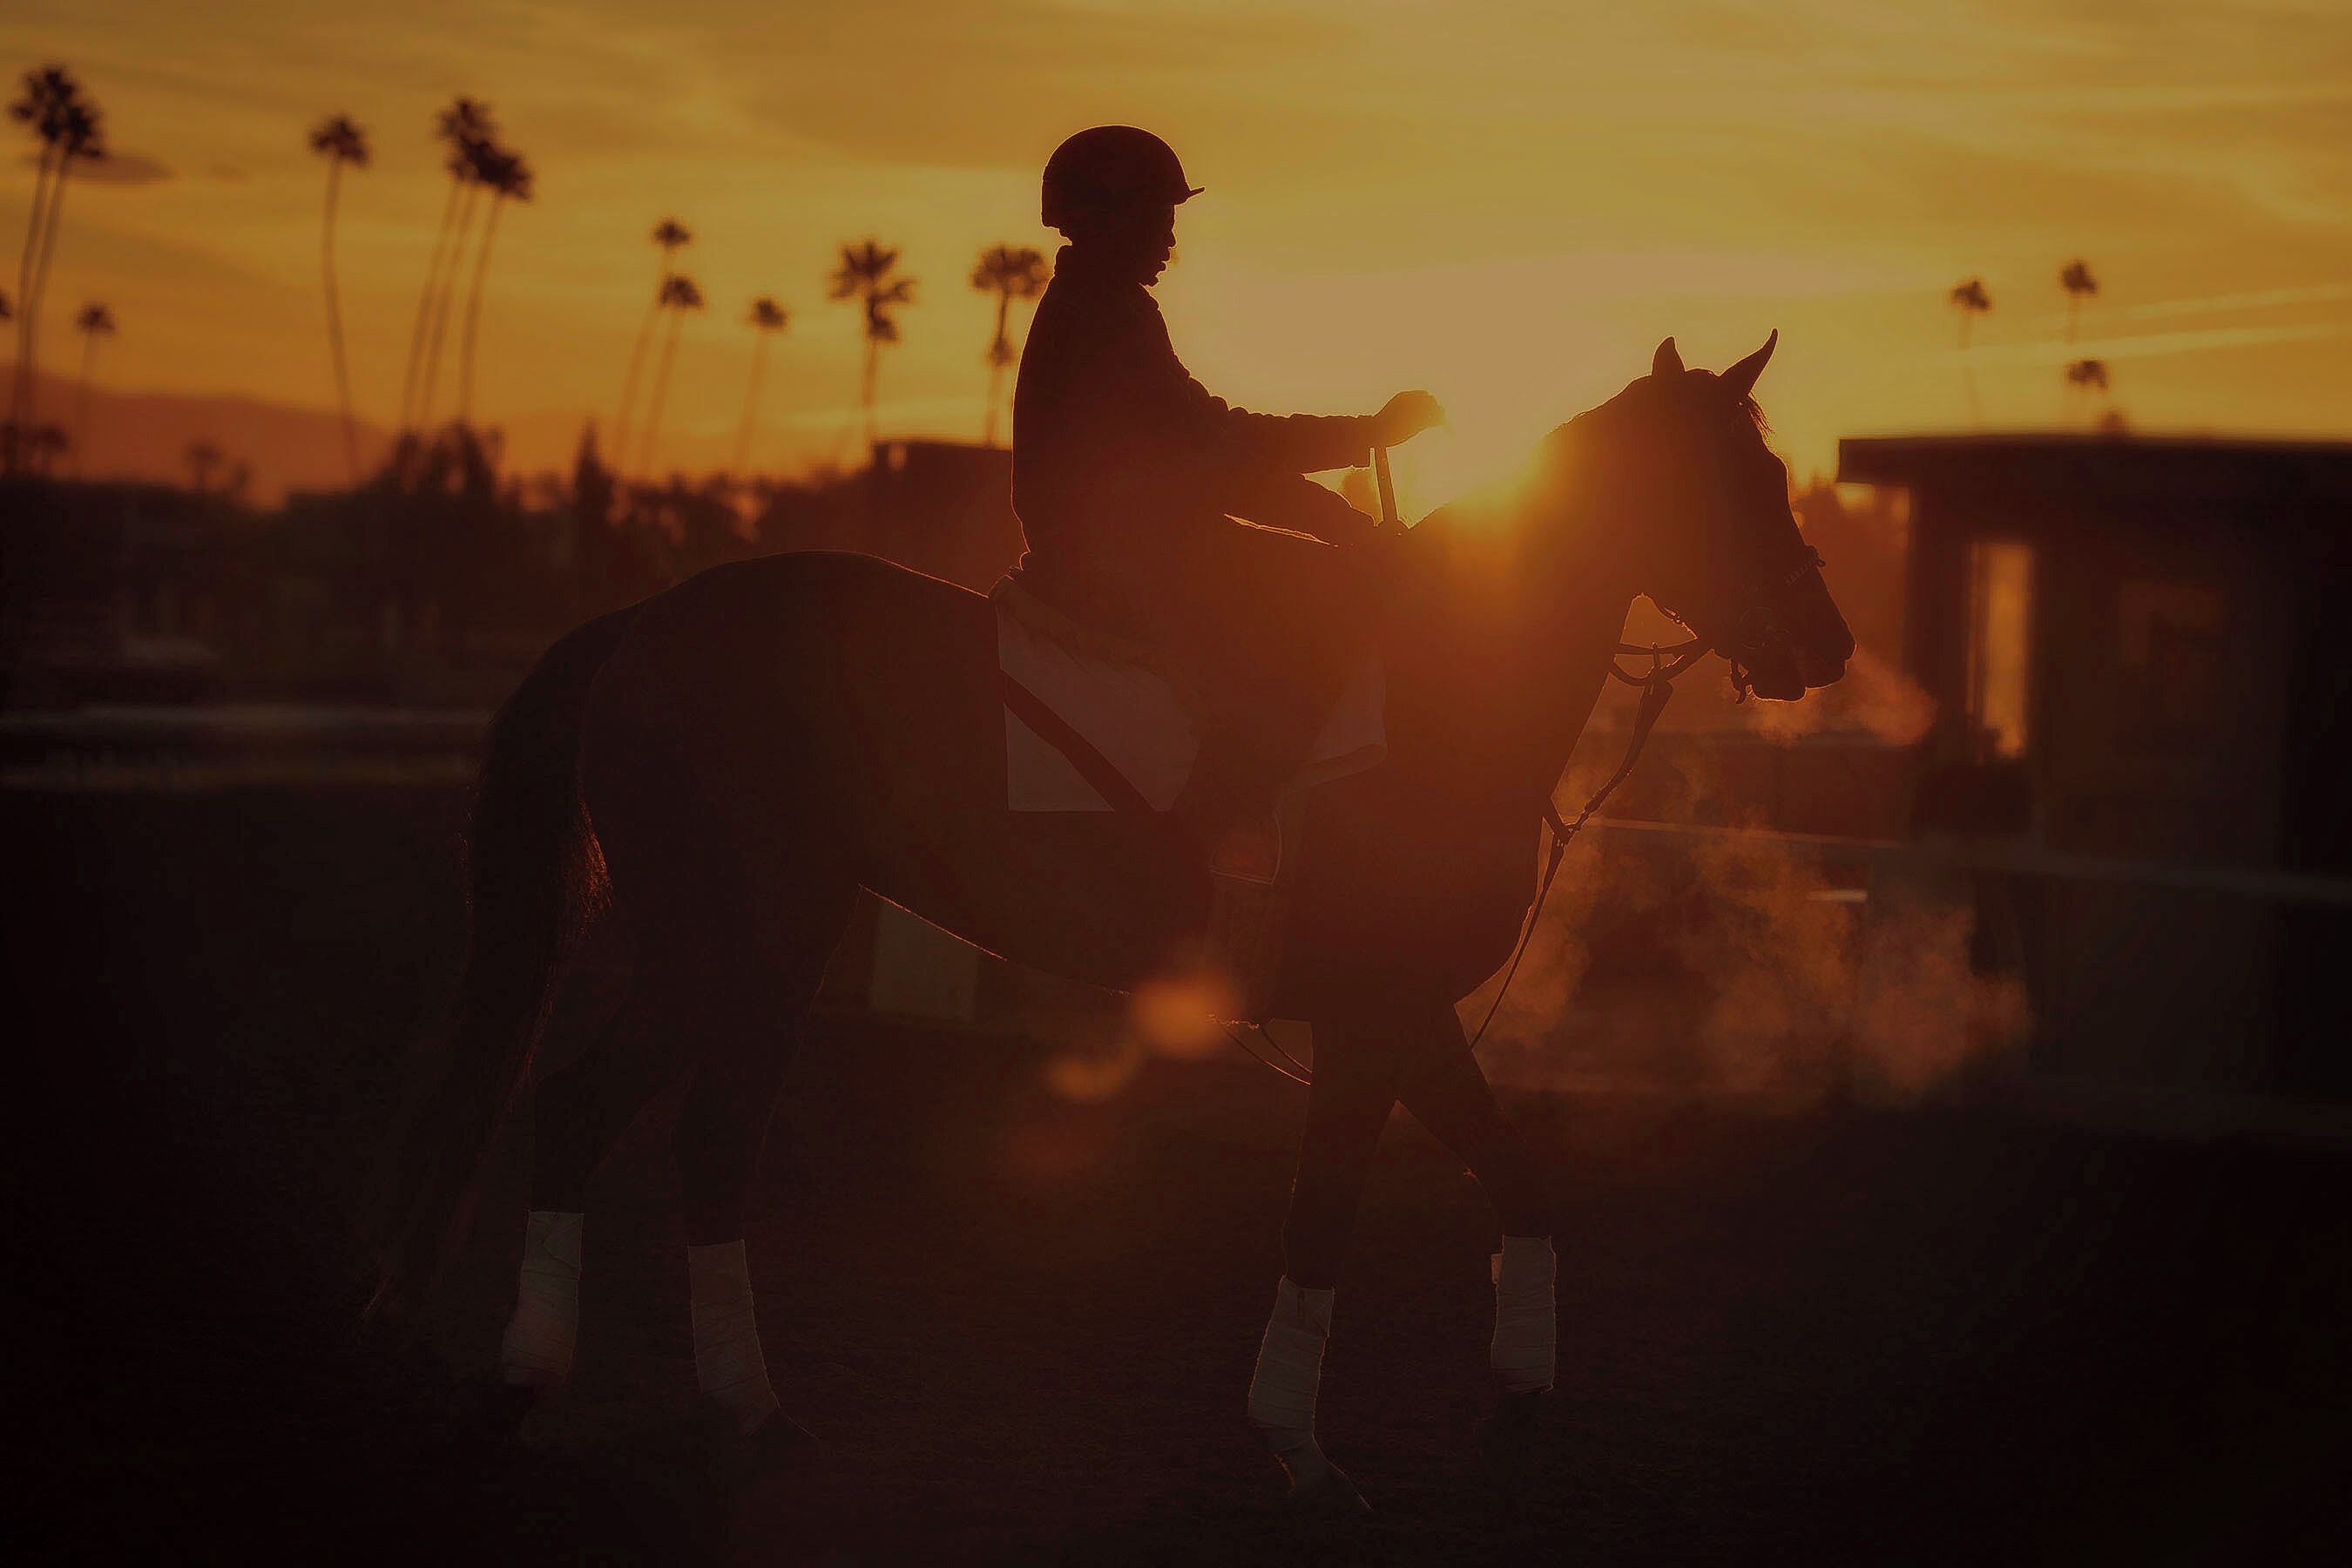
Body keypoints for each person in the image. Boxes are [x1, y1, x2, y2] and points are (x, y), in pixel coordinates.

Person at [1012, 125, 1443, 875]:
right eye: (1159, 217)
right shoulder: (1107, 317)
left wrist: (1335, 518)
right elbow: (1218, 446)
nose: (1171, 238)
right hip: (1120, 552)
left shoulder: (1106, 306)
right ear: (1107, 220)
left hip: (1132, 536)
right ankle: (1214, 839)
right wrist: (1367, 437)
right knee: (1321, 612)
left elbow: (1206, 457)